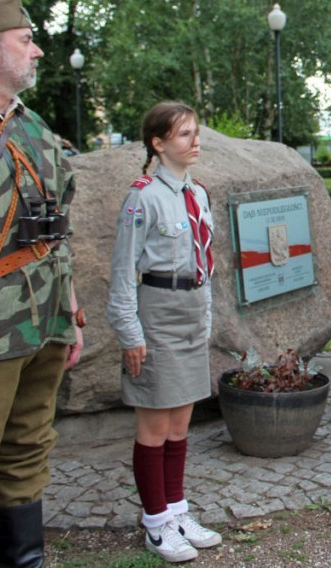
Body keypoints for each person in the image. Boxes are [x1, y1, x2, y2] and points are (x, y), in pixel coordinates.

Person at [0, 0, 84, 568]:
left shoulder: (36, 128)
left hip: (43, 321)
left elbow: (58, 229)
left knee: (27, 451)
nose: (38, 48)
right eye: (26, 38)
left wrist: (70, 312)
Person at [105, 102, 222, 563]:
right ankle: (155, 522)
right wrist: (130, 333)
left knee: (179, 425)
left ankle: (176, 511)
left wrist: (206, 322)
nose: (195, 142)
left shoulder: (198, 194)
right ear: (157, 143)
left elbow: (204, 268)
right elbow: (121, 273)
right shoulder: (143, 196)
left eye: (195, 133)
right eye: (183, 135)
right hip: (156, 315)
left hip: (191, 312)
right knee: (154, 425)